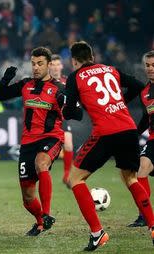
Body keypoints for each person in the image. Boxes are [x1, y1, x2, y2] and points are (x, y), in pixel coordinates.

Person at [63, 41, 154, 251]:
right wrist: (119, 101)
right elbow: (139, 86)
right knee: (130, 177)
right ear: (92, 56)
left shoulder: (75, 77)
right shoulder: (110, 69)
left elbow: (69, 112)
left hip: (105, 131)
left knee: (75, 179)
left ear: (74, 61)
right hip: (129, 128)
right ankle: (152, 225)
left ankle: (97, 233)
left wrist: (75, 109)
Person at [0, 47, 64, 236]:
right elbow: (0, 96)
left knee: (41, 162)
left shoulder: (59, 89)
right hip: (27, 143)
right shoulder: (26, 84)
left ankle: (47, 213)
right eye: (33, 64)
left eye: (40, 64)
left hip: (51, 138)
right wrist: (5, 79)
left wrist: (70, 107)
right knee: (27, 198)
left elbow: (75, 112)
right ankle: (41, 221)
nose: (36, 67)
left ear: (49, 65)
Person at [128, 50, 154, 228]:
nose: (150, 68)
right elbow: (146, 118)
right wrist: (135, 134)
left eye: (153, 65)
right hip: (153, 138)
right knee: (141, 171)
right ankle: (144, 215)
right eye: (148, 65)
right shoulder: (144, 92)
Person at [49, 54, 74, 186]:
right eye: (53, 65)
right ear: (49, 67)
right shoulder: (47, 82)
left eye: (58, 64)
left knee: (68, 143)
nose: (55, 67)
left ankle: (67, 175)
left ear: (62, 66)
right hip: (48, 119)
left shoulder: (67, 82)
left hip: (62, 118)